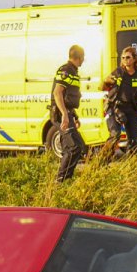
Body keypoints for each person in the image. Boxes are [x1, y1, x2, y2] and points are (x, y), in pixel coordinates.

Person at [102, 46, 137, 157]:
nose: (125, 60)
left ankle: (131, 163)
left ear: (134, 59)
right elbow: (103, 86)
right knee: (115, 135)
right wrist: (106, 81)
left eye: (128, 57)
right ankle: (102, 160)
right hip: (115, 107)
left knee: (133, 137)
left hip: (131, 108)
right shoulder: (118, 72)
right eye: (123, 58)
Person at [52, 45, 86, 182]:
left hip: (66, 113)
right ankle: (61, 181)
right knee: (75, 147)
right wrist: (65, 115)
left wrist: (74, 115)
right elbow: (57, 92)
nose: (84, 60)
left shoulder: (73, 71)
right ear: (79, 57)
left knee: (72, 148)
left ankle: (64, 180)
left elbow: (69, 97)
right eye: (83, 58)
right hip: (61, 114)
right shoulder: (66, 70)